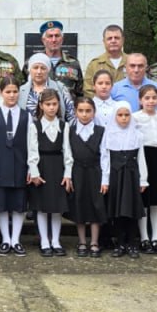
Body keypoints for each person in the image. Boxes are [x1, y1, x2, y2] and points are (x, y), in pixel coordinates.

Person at [28, 88, 71, 256]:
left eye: (54, 104)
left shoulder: (64, 125)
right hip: (42, 167)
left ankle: (56, 240)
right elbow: (32, 151)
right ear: (41, 105)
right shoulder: (35, 126)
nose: (52, 108)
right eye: (48, 104)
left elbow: (67, 151)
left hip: (58, 167)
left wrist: (67, 173)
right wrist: (34, 173)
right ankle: (44, 241)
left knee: (57, 207)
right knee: (42, 206)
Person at [101, 101, 147, 258]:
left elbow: (141, 159)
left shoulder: (137, 134)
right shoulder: (108, 135)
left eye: (127, 115)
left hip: (132, 176)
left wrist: (143, 180)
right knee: (118, 212)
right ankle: (120, 243)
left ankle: (132, 244)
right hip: (116, 176)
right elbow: (105, 159)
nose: (123, 118)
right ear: (115, 116)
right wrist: (105, 180)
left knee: (131, 211)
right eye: (120, 115)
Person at [0, 77, 31, 255]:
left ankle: (16, 239)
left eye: (15, 91)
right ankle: (5, 239)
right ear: (1, 93)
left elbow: (31, 144)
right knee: (1, 204)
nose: (12, 95)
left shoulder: (26, 116)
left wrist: (31, 167)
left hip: (20, 165)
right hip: (0, 165)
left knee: (18, 204)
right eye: (8, 91)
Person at [132, 84, 157, 254]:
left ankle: (156, 238)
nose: (151, 101)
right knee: (144, 201)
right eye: (147, 98)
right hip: (142, 157)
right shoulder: (135, 117)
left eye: (154, 98)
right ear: (140, 100)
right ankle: (144, 239)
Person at [67, 97, 107, 257]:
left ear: (94, 112)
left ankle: (94, 241)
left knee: (96, 205)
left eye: (88, 111)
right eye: (81, 111)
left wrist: (105, 179)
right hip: (77, 173)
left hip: (95, 172)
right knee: (79, 205)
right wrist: (68, 176)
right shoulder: (70, 131)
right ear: (76, 112)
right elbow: (68, 155)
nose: (84, 114)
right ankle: (82, 241)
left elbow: (105, 156)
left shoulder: (100, 131)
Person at [24, 52, 74, 123]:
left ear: (48, 70)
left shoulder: (60, 88)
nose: (39, 71)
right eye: (35, 68)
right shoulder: (21, 90)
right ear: (30, 70)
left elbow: (71, 114)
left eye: (43, 68)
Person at [39, 20, 83, 100]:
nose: (54, 40)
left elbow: (80, 93)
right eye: (50, 36)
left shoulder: (73, 63)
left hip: (68, 111)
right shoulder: (34, 63)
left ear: (62, 39)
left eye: (57, 36)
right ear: (43, 40)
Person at [83, 25, 126, 97]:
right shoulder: (94, 64)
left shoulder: (132, 63)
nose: (113, 41)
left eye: (117, 38)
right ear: (104, 41)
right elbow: (88, 90)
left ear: (123, 40)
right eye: (109, 38)